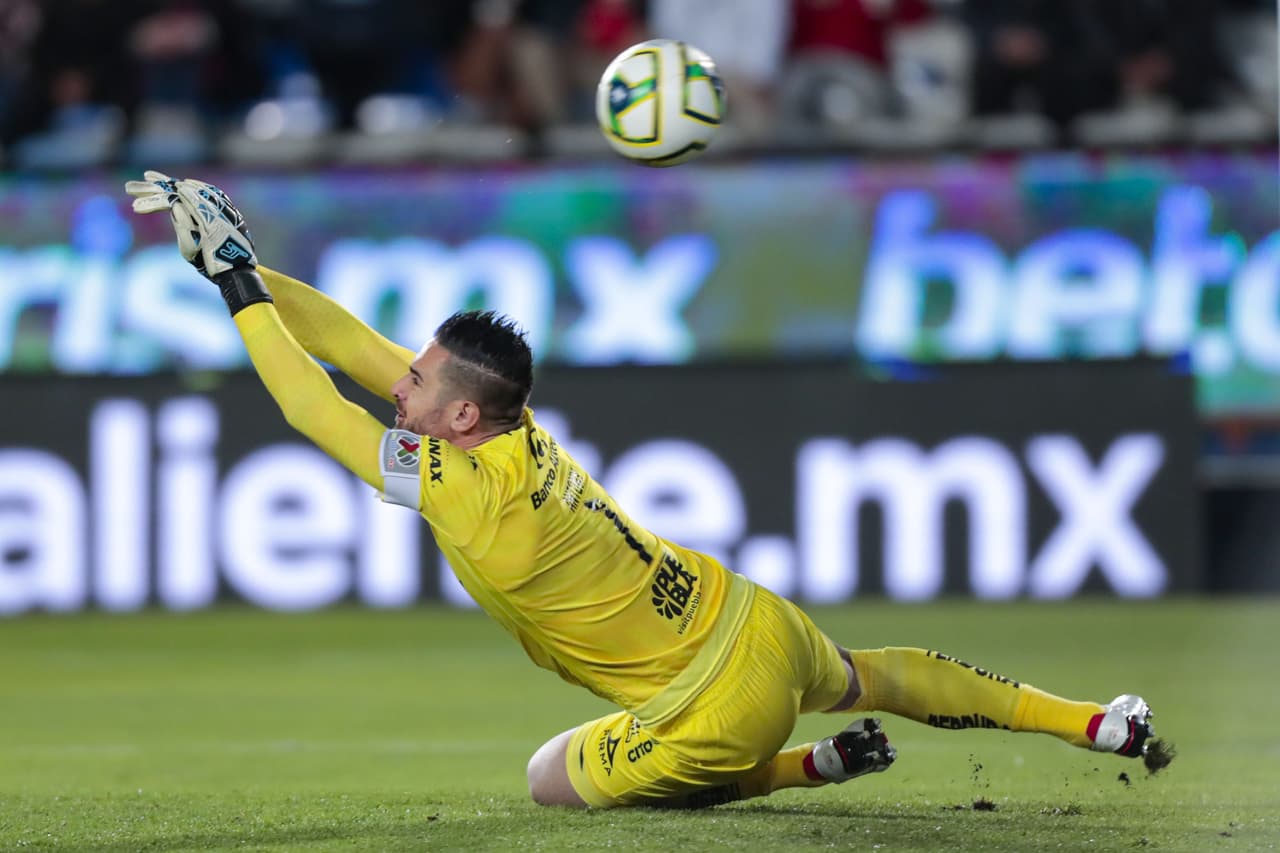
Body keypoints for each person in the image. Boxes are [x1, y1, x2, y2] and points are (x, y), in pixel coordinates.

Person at [125, 171, 1160, 809]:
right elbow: (349, 345)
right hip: (748, 612)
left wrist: (234, 287)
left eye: (415, 382)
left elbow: (317, 406)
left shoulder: (463, 494)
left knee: (548, 778)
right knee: (870, 673)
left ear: (458, 419)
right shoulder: (506, 432)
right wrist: (240, 263)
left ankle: (796, 770)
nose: (397, 383)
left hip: (716, 706)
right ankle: (1091, 723)